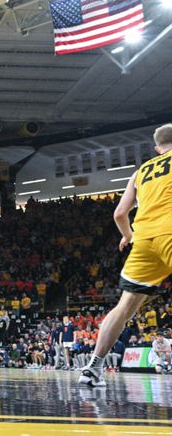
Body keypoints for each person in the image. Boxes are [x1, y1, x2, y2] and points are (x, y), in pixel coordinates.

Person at [80, 125, 172, 387]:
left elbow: (120, 214)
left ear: (157, 149)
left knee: (124, 307)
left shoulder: (140, 172)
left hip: (143, 241)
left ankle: (92, 369)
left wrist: (128, 236)